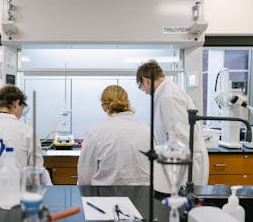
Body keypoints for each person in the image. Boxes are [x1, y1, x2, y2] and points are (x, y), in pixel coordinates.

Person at [136, 60, 209, 193]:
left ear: (146, 80)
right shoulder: (166, 94)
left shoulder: (169, 96)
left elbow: (180, 136)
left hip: (185, 165)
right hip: (180, 161)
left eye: (141, 87)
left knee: (182, 206)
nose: (144, 92)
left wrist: (159, 151)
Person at [0, 84, 51, 185]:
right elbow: (37, 175)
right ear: (16, 104)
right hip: (15, 196)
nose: (21, 113)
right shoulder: (28, 133)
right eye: (22, 108)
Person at [77, 85, 151, 185]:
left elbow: (85, 177)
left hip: (107, 197)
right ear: (127, 103)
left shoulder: (95, 132)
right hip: (144, 197)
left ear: (103, 107)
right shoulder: (146, 130)